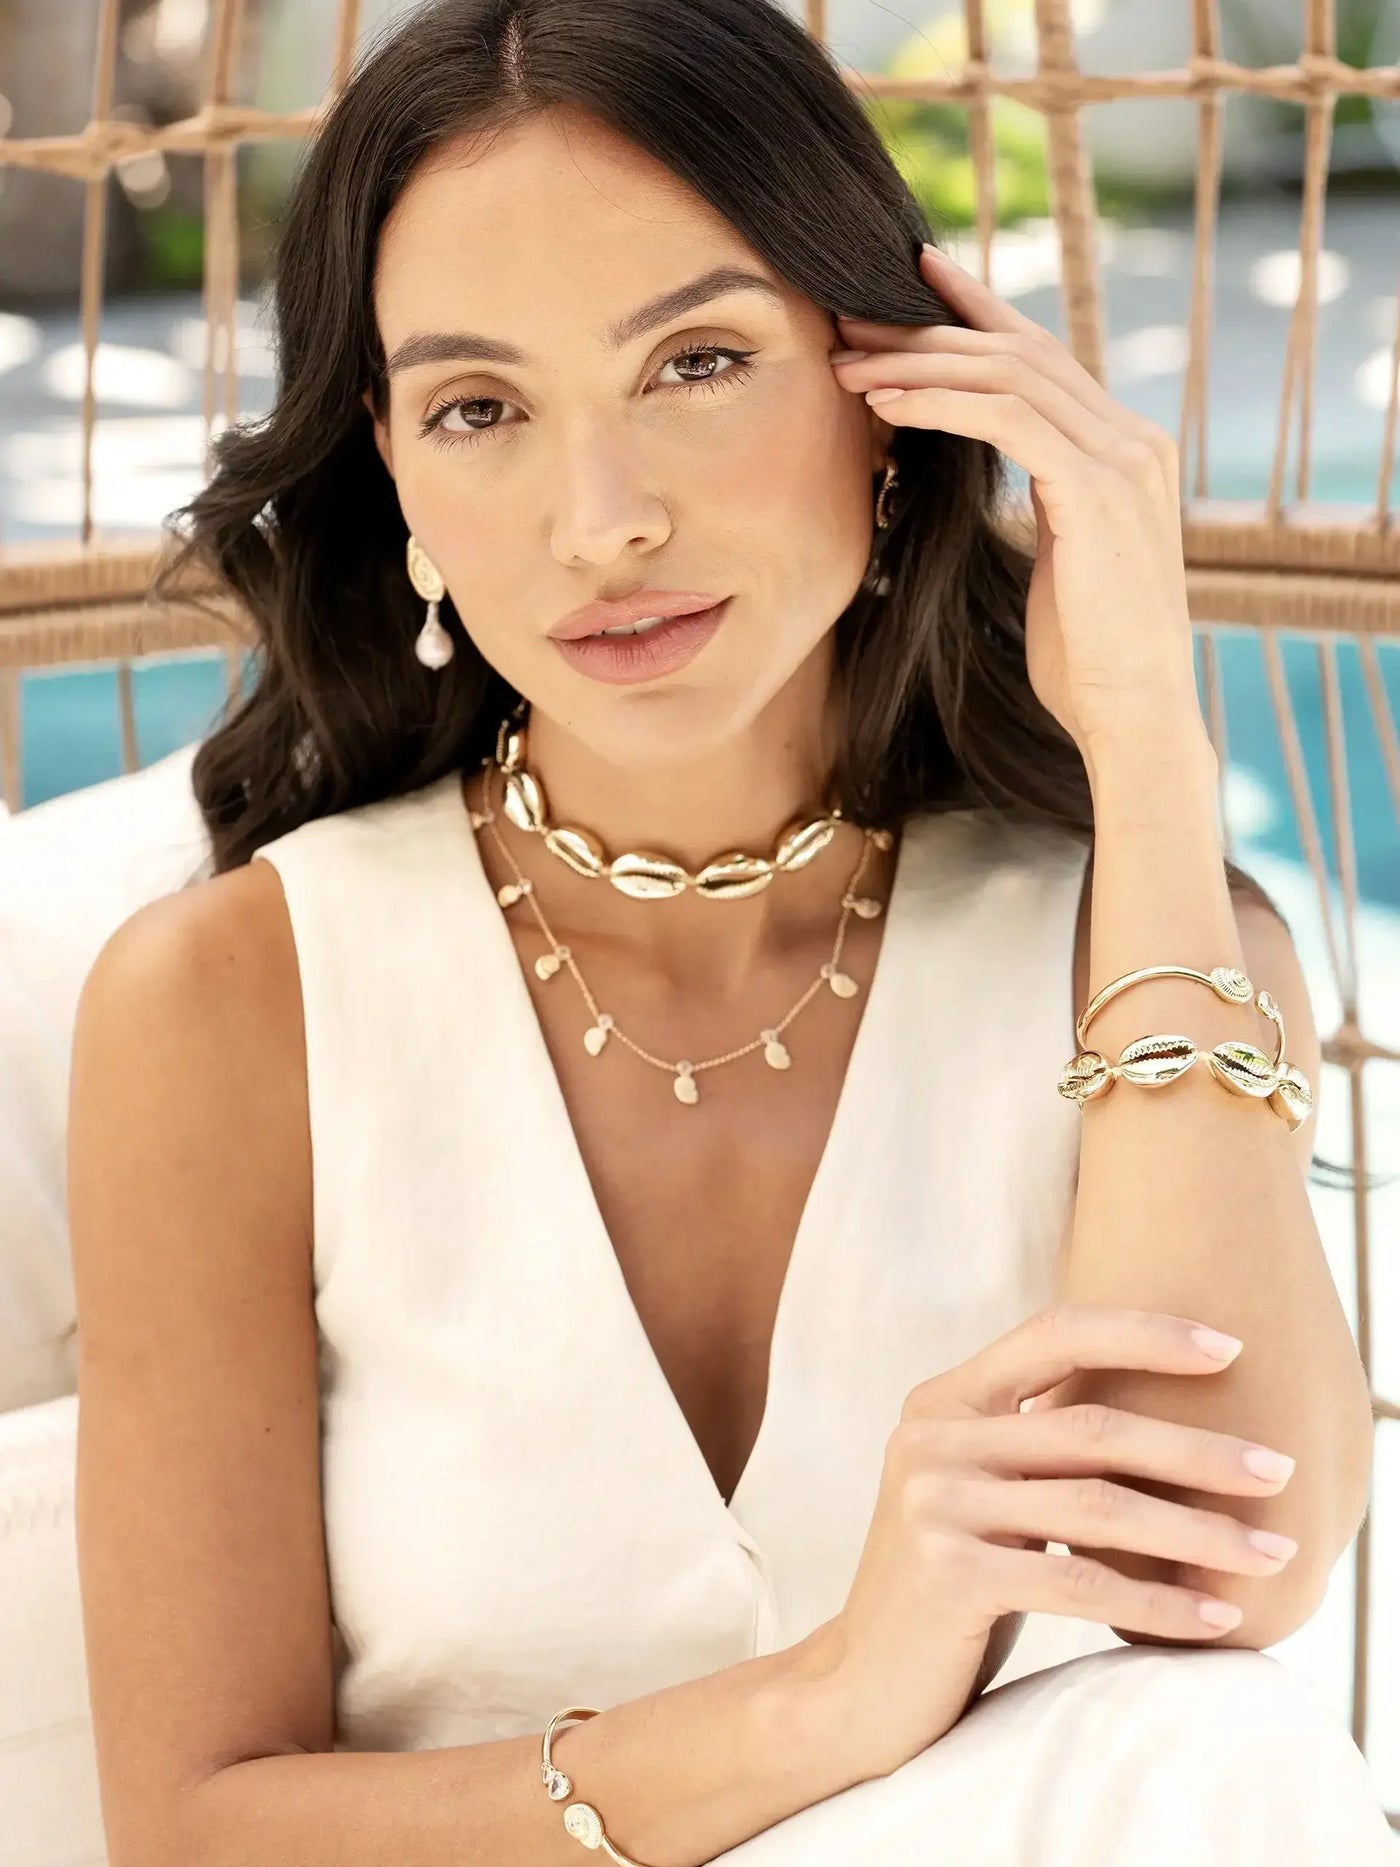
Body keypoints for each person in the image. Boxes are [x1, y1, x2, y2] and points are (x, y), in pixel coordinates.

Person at [64, 1, 1395, 1863]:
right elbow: (199, 1832)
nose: (601, 520)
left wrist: (1154, 745)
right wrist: (835, 1696)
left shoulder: (1136, 933)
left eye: (694, 363)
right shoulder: (234, 1003)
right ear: (391, 474)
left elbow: (1233, 1569)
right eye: (479, 409)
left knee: (1209, 1748)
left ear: (892, 394)